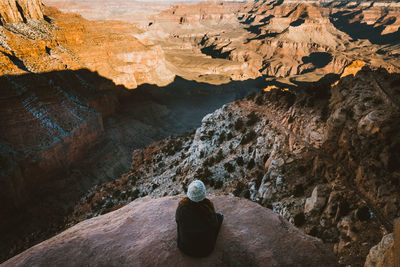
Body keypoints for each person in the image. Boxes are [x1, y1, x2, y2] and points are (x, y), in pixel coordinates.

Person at [175, 180, 223, 257]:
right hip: (205, 251)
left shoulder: (181, 207)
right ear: (203, 193)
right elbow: (214, 224)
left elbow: (177, 220)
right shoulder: (208, 209)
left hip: (184, 248)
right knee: (219, 217)